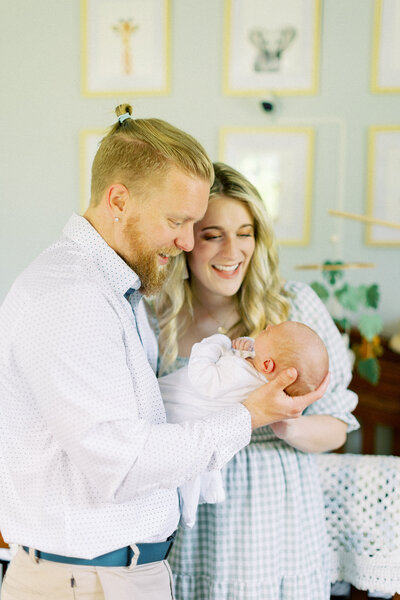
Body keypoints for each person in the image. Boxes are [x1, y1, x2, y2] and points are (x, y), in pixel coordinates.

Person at [0, 107, 328, 600]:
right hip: (85, 582)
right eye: (178, 221)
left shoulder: (120, 292)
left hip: (118, 576)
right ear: (118, 201)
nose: (186, 241)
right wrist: (247, 414)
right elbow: (122, 464)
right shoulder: (71, 299)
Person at [153, 162, 359, 600]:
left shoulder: (295, 307)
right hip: (192, 513)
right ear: (186, 240)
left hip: (275, 517)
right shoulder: (157, 318)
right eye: (213, 235)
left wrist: (284, 422)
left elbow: (338, 427)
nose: (232, 250)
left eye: (244, 232)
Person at [159, 323, 329, 528]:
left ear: (267, 365)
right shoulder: (261, 382)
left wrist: (217, 343)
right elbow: (253, 361)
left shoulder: (237, 374)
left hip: (169, 409)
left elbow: (203, 376)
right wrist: (248, 346)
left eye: (268, 332)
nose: (268, 325)